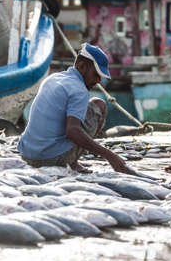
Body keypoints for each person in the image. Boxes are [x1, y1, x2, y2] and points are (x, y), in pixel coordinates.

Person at [18, 43, 138, 175]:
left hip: (26, 154)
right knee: (99, 105)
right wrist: (111, 156)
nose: (98, 81)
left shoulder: (52, 78)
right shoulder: (79, 90)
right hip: (50, 159)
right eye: (96, 74)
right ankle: (72, 162)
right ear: (81, 67)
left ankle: (71, 158)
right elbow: (72, 131)